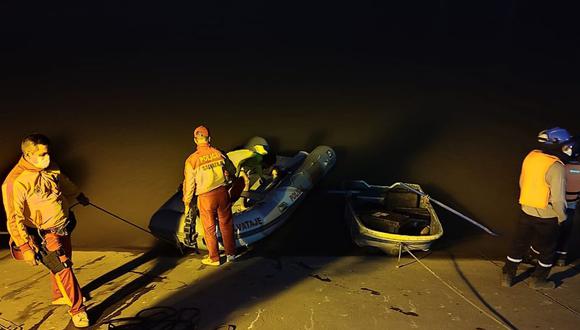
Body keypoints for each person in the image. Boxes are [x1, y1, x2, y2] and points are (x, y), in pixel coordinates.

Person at [2, 134, 90, 327]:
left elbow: (64, 181)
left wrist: (78, 195)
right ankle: (78, 310)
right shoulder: (15, 182)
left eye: (47, 152)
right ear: (27, 153)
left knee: (65, 260)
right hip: (44, 233)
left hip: (63, 224)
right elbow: (13, 218)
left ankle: (59, 295)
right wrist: (25, 247)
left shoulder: (51, 166)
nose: (46, 157)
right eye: (41, 154)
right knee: (64, 267)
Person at [502, 127, 572, 290]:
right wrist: (562, 217)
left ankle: (507, 275)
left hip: (526, 209)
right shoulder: (556, 166)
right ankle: (538, 280)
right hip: (547, 216)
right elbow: (558, 198)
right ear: (558, 144)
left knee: (518, 244)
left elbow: (522, 182)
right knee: (547, 250)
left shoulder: (531, 156)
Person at [182, 126, 237, 266]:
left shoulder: (191, 160)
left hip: (206, 197)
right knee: (226, 224)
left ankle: (214, 258)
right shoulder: (219, 153)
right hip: (222, 193)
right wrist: (228, 179)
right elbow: (232, 170)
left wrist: (187, 203)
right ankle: (231, 254)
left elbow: (189, 185)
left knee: (209, 228)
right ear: (209, 139)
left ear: (195, 140)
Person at [555, 139, 580, 266]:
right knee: (566, 231)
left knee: (552, 231)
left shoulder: (561, 167)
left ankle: (543, 257)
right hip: (572, 205)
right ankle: (561, 258)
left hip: (558, 203)